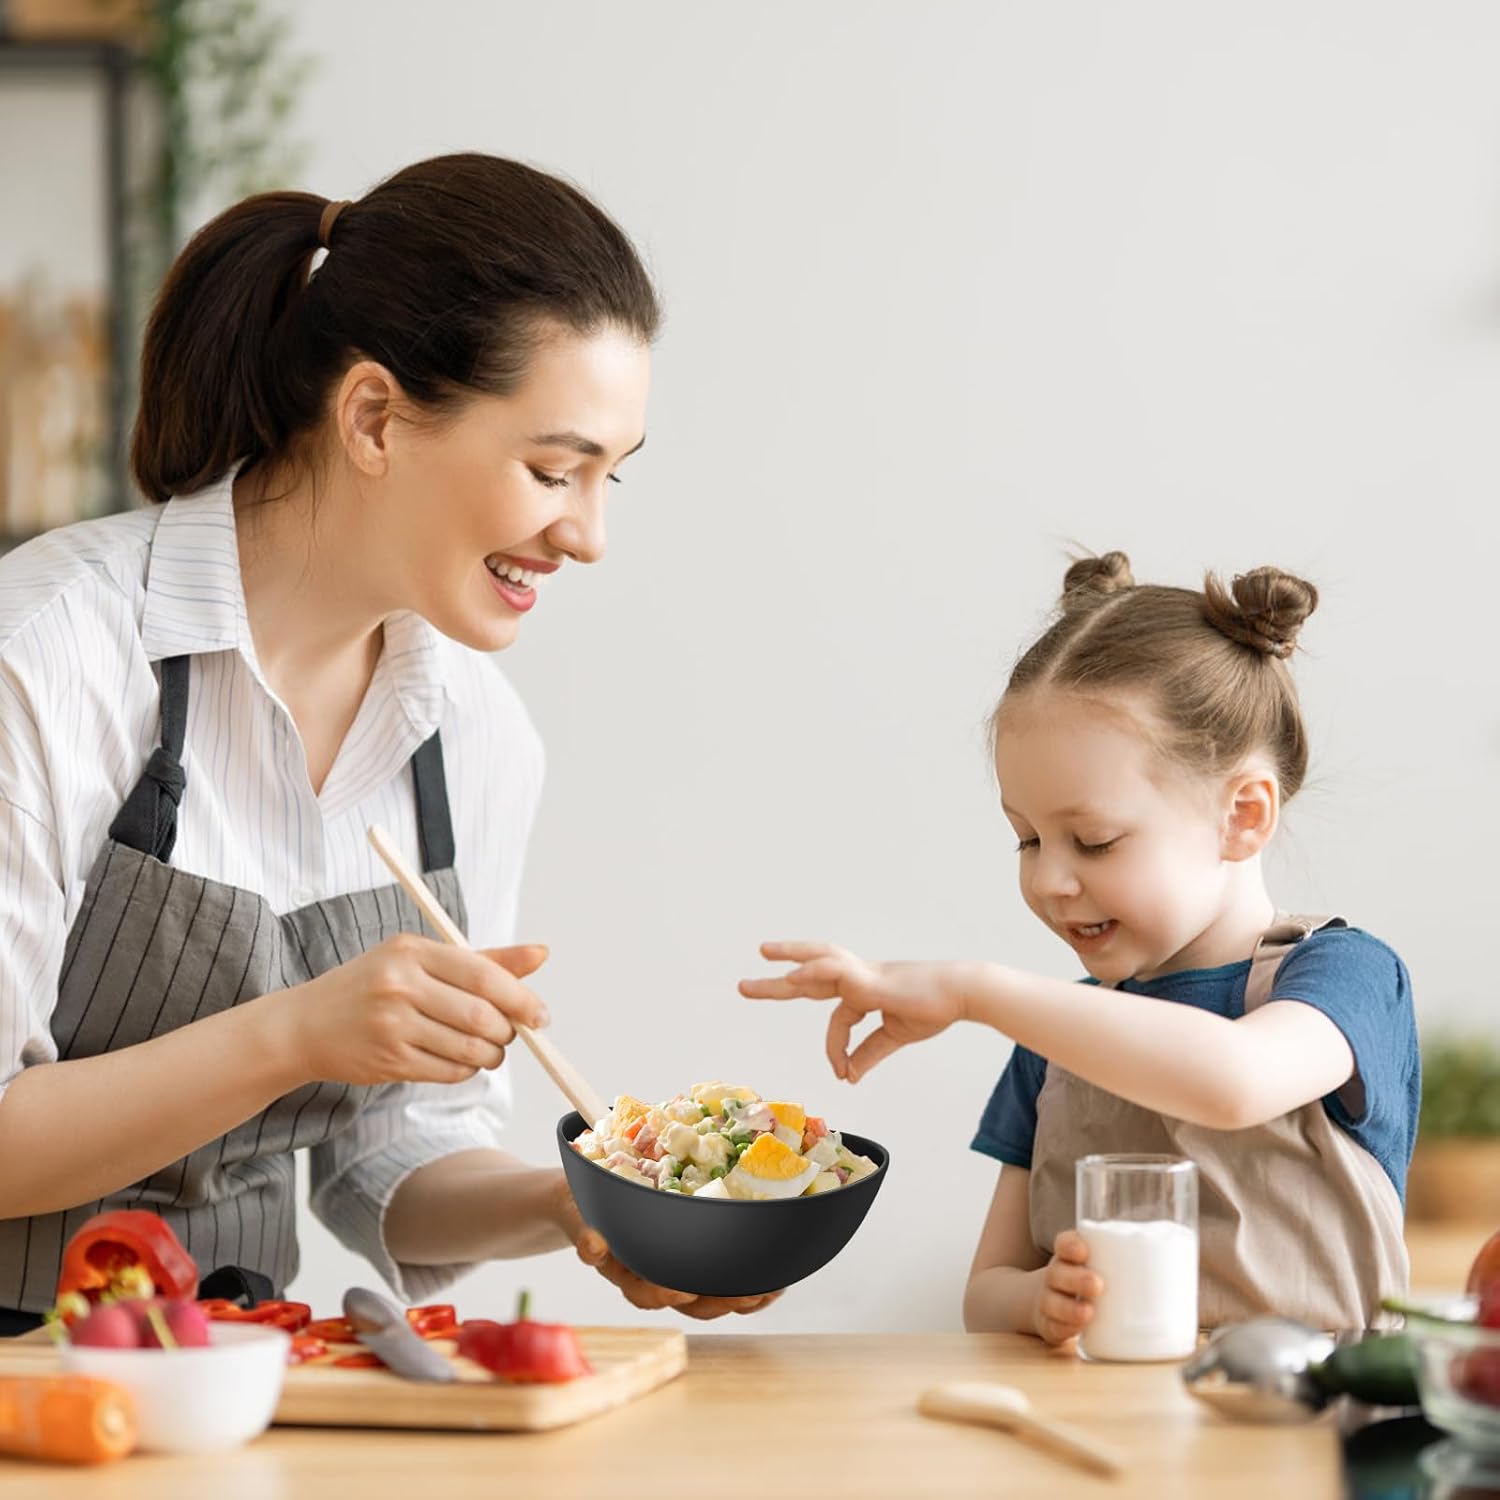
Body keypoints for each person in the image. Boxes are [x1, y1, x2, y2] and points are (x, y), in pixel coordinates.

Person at [0, 152, 776, 1333]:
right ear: (372, 418)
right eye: (553, 470)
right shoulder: (45, 656)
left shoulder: (473, 734)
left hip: (240, 1366)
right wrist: (296, 1032)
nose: (589, 535)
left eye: (610, 479)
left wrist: (582, 1204)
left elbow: (390, 1162)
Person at [741, 552, 1418, 1337]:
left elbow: (1232, 1082)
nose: (1049, 880)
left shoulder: (1345, 975)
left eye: (1094, 841)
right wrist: (1037, 1303)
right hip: (1104, 1412)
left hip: (1306, 1415)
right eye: (1027, 839)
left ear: (1242, 816)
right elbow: (987, 1293)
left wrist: (973, 991)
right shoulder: (1055, 1038)